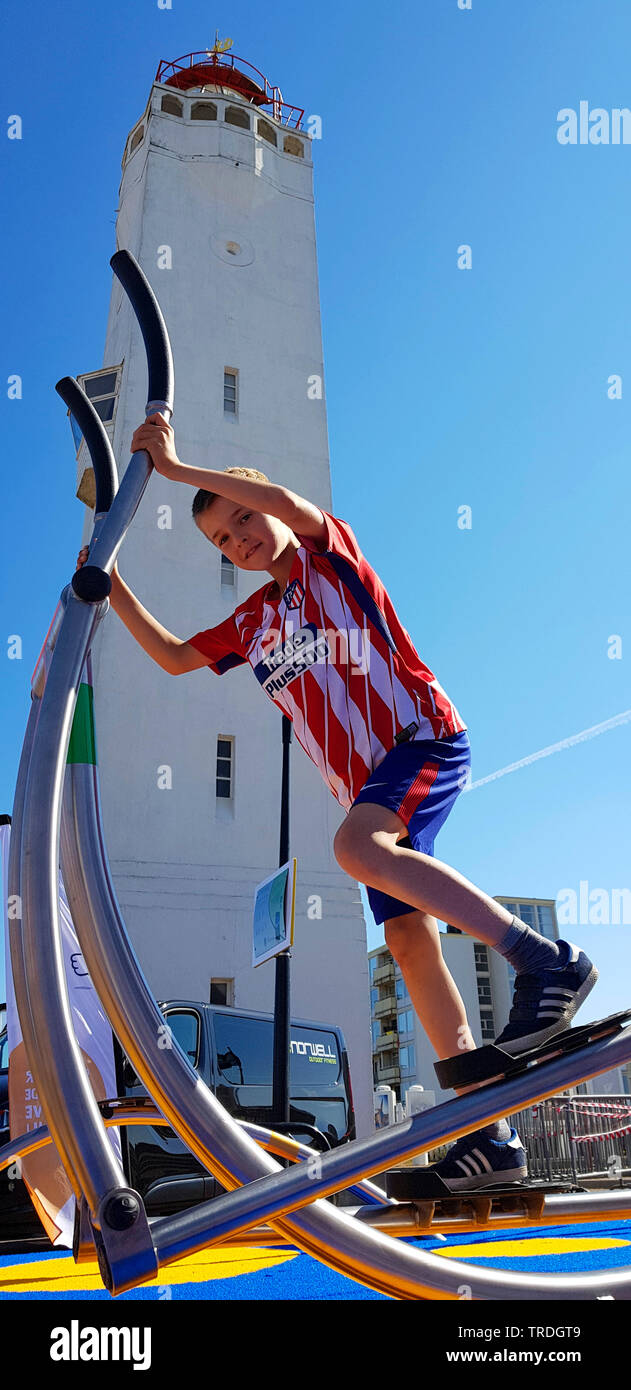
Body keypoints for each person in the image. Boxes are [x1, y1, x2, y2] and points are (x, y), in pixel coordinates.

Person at [76, 412, 598, 1190]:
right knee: (410, 946)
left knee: (354, 850)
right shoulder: (252, 622)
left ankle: (546, 960)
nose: (241, 541)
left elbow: (289, 505)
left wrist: (179, 470)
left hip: (422, 742)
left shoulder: (328, 558)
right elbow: (174, 656)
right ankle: (489, 1138)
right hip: (372, 795)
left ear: (265, 507)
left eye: (243, 520)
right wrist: (109, 578)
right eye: (222, 541)